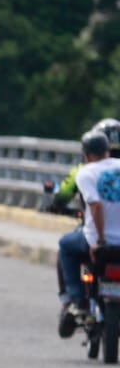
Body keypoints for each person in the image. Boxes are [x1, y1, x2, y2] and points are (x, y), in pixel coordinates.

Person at [57, 131, 120, 338]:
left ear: (86, 155)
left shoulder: (85, 172)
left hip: (96, 241)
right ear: (108, 151)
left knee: (66, 245)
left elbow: (95, 206)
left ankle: (77, 300)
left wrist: (100, 241)